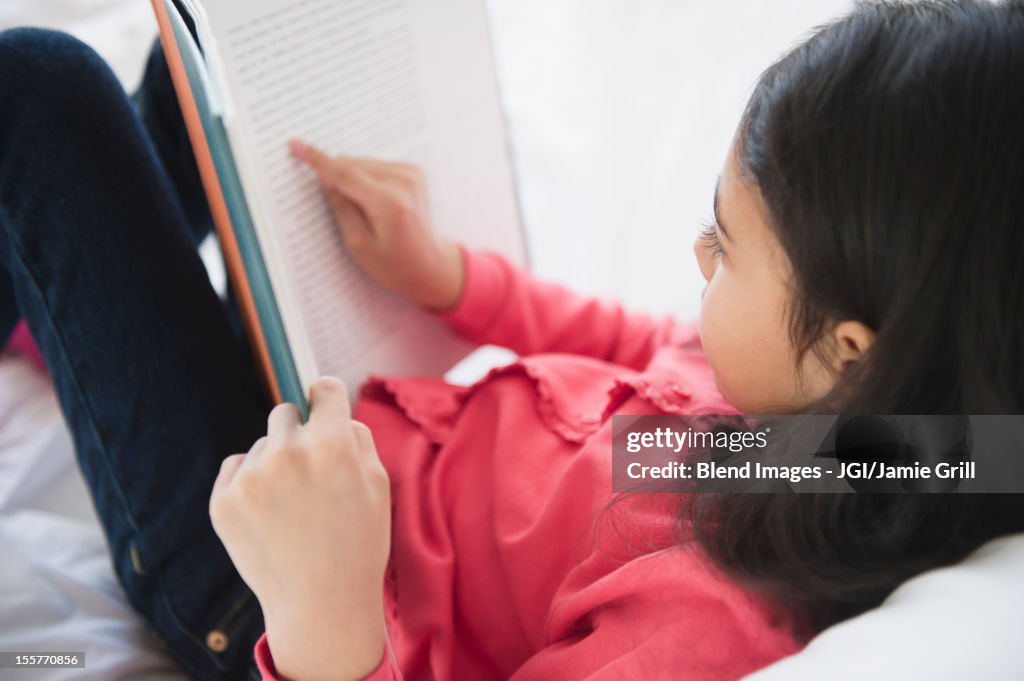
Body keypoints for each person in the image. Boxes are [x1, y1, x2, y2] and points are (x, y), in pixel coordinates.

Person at [1, 0, 1023, 680]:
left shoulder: (702, 616)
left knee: (40, 94)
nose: (697, 251)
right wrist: (448, 276)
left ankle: (59, 309)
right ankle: (66, 312)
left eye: (730, 247)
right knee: (212, 82)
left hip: (270, 581)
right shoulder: (801, 429)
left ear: (848, 354)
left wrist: (328, 604)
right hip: (330, 433)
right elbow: (626, 340)